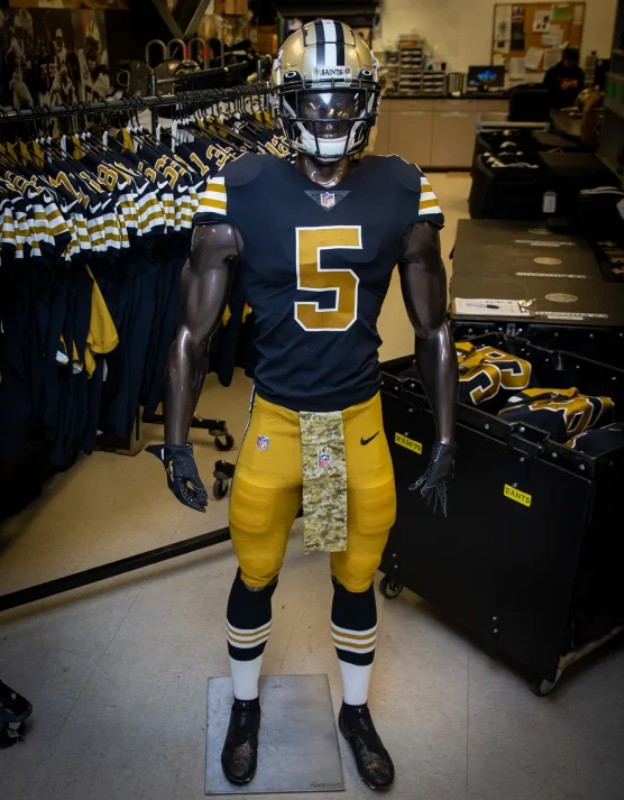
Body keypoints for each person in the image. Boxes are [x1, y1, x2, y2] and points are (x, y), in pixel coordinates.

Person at [149, 19, 458, 791]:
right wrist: (177, 440)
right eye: (315, 100)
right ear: (286, 103)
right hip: (282, 419)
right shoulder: (240, 186)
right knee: (257, 568)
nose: (329, 115)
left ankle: (355, 712)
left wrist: (448, 436)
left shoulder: (402, 186)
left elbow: (435, 329)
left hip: (355, 420)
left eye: (344, 99)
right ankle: (245, 706)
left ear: (369, 101)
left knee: (356, 571)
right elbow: (191, 333)